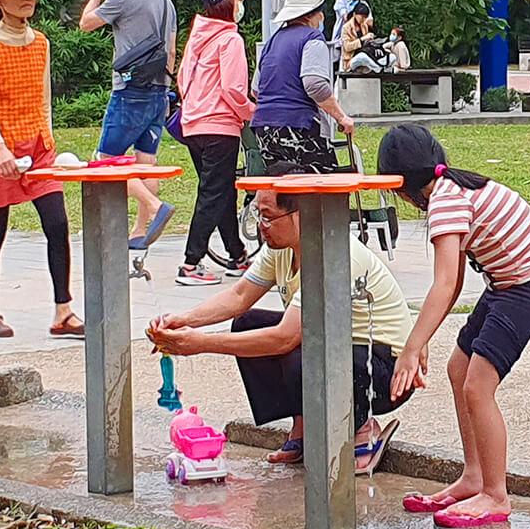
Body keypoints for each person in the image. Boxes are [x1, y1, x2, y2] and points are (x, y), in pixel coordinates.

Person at [147, 162, 417, 474]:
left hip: (383, 373)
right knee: (249, 323)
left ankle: (361, 428)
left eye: (269, 216)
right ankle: (302, 427)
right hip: (337, 348)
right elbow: (239, 297)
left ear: (302, 214)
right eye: (257, 214)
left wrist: (199, 344)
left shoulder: (333, 255)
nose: (262, 225)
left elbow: (285, 337)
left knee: (302, 349)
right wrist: (184, 321)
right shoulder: (282, 247)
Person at [377, 124, 530, 528]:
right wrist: (421, 337)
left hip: (527, 289)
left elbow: (444, 284)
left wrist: (411, 347)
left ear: (402, 188)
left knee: (478, 385)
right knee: (459, 369)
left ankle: (495, 495)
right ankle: (474, 476)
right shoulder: (452, 188)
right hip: (507, 284)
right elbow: (454, 282)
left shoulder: (446, 202)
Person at [0, 0, 84, 339]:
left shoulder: (42, 42)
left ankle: (63, 311)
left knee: (58, 225)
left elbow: (44, 97)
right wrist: (0, 149)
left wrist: (47, 138)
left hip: (37, 146)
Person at [80, 0, 178, 248]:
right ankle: (139, 231)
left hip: (130, 91)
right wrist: (164, 85)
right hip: (160, 91)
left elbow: (86, 23)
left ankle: (153, 205)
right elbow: (171, 51)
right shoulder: (166, 0)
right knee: (145, 161)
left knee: (104, 160)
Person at [174, 0, 257, 286]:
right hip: (220, 126)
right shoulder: (230, 40)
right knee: (213, 192)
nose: (242, 4)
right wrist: (252, 113)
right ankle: (191, 262)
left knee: (221, 191)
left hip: (193, 124)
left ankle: (237, 255)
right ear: (228, 4)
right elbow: (235, 89)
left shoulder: (198, 36)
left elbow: (182, 80)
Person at [251, 0, 356, 173]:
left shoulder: (272, 42)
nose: (322, 17)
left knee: (281, 190)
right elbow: (314, 84)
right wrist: (342, 117)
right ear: (310, 15)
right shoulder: (312, 38)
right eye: (320, 12)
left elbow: (256, 90)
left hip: (264, 128)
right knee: (320, 185)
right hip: (299, 125)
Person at [330, 0, 369, 65]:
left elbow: (369, 22)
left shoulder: (364, 4)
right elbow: (346, 17)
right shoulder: (341, 0)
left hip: (358, 42)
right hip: (340, 40)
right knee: (335, 65)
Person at [340, 2, 379, 72]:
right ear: (355, 14)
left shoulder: (364, 25)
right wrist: (362, 39)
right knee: (362, 56)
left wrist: (370, 40)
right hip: (351, 59)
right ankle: (377, 67)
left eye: (365, 17)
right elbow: (347, 47)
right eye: (362, 17)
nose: (363, 19)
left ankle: (378, 64)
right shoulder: (346, 27)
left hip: (364, 53)